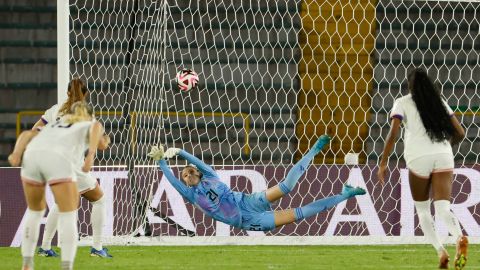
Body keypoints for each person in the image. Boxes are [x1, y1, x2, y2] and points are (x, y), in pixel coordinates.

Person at [148, 135, 366, 232]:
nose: (186, 176)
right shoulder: (192, 195)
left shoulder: (210, 176)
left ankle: (315, 148)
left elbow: (198, 162)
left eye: (189, 171)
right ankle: (345, 194)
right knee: (300, 213)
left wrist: (180, 151)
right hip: (249, 219)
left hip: (249, 201)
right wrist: (162, 162)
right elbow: (173, 181)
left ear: (196, 172)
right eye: (184, 176)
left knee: (286, 186)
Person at [377, 68, 468, 269]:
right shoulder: (440, 102)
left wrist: (383, 162)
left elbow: (392, 134)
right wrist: (443, 147)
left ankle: (441, 252)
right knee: (443, 207)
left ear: (409, 85)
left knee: (423, 210)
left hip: (418, 157)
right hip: (444, 155)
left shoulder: (402, 102)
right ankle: (459, 237)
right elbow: (461, 132)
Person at [8, 101, 103, 270]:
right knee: (68, 212)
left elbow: (27, 135)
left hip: (32, 156)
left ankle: (27, 263)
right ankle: (66, 266)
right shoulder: (87, 122)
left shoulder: (56, 124)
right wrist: (90, 157)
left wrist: (16, 154)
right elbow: (96, 129)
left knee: (35, 211)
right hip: (57, 159)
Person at [32, 78, 112, 258]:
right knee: (99, 199)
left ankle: (45, 248)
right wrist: (106, 141)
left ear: (68, 92)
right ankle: (98, 248)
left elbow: (35, 130)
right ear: (86, 94)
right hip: (73, 166)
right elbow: (99, 145)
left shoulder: (55, 110)